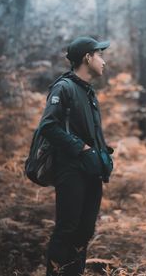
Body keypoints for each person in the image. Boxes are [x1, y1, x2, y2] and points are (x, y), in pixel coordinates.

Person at [39, 36, 114, 276]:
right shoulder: (64, 88)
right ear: (87, 57)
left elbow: (86, 131)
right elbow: (48, 126)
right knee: (67, 229)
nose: (103, 61)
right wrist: (82, 148)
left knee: (85, 230)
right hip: (70, 170)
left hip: (91, 170)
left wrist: (102, 152)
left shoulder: (87, 90)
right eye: (100, 55)